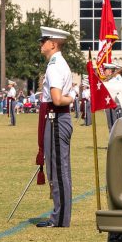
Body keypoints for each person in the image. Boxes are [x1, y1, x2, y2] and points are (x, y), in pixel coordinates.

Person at [37, 26, 76, 228]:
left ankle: (60, 218)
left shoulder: (54, 67)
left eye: (43, 41)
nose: (40, 45)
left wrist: (71, 97)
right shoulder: (58, 64)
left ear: (53, 44)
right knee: (59, 169)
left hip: (56, 119)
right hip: (58, 119)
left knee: (59, 171)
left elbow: (57, 99)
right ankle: (59, 215)